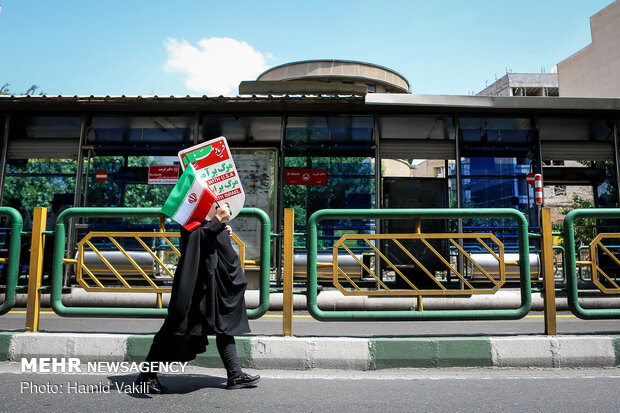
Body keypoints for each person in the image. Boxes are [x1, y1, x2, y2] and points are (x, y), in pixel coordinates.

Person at [135, 205, 260, 394]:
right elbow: (195, 238)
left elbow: (208, 232)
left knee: (222, 322)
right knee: (176, 324)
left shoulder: (206, 205)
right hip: (199, 279)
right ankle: (146, 376)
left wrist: (221, 228)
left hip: (216, 275)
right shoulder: (191, 204)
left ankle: (235, 373)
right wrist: (217, 222)